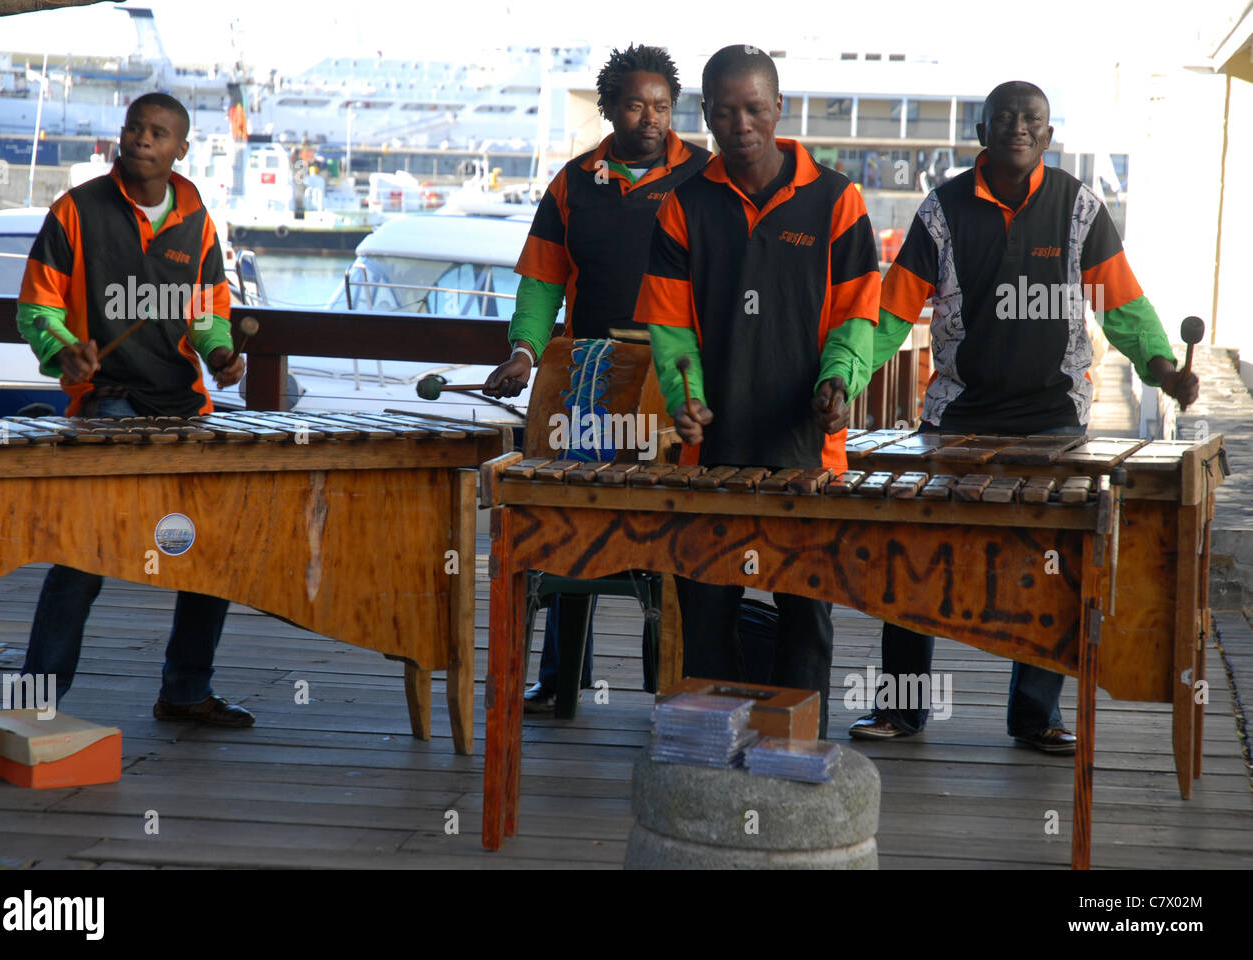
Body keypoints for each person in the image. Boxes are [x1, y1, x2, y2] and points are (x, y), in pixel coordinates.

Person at [848, 80, 1199, 752]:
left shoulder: (1077, 208)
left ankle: (1037, 716)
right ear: (982, 130)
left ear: (1047, 134)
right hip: (955, 419)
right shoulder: (942, 210)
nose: (1018, 127)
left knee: (1052, 567)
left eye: (1032, 118)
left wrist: (1163, 370)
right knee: (914, 559)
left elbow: (1121, 307)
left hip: (1053, 421)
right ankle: (902, 708)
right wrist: (845, 374)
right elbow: (891, 314)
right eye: (1004, 117)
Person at [634, 45, 881, 738]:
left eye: (752, 108)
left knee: (807, 616)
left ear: (778, 108)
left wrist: (840, 379)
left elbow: (856, 316)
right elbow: (671, 328)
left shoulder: (837, 200)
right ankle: (716, 757)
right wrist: (684, 394)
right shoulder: (683, 206)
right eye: (723, 110)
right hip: (711, 452)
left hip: (808, 451)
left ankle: (797, 755)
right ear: (706, 114)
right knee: (708, 613)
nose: (739, 123)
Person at [484, 44, 710, 714]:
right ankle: (561, 678)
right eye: (636, 104)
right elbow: (542, 282)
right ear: (609, 106)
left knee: (670, 527)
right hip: (588, 375)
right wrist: (525, 352)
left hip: (675, 377)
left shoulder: (704, 176)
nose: (651, 117)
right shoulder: (573, 183)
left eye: (663, 105)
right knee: (570, 517)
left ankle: (673, 681)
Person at [16, 92, 254, 727]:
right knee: (86, 552)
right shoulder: (76, 211)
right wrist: (64, 350)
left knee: (213, 548)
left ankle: (184, 690)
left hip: (183, 403)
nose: (142, 139)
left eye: (158, 132)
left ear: (180, 148)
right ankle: (35, 704)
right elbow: (35, 309)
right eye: (134, 128)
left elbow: (206, 316)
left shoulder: (197, 216)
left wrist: (223, 355)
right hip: (108, 401)